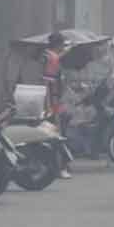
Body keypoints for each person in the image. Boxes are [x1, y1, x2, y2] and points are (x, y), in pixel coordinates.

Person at [44, 29, 71, 179]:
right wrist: (50, 106)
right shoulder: (52, 58)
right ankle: (60, 167)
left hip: (52, 101)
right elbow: (48, 82)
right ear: (59, 44)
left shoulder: (48, 56)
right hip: (53, 102)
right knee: (58, 135)